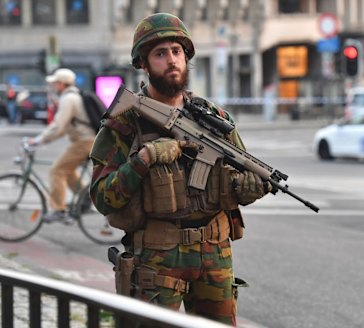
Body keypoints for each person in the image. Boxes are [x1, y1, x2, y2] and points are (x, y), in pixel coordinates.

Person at [88, 13, 269, 326]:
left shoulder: (214, 118)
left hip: (214, 252)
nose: (171, 60)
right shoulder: (125, 121)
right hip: (157, 257)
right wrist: (144, 159)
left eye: (176, 52)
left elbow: (240, 172)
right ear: (143, 64)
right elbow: (103, 198)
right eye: (160, 53)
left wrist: (247, 189)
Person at [27, 68, 96, 223]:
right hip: (87, 140)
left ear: (62, 84)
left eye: (55, 83)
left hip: (84, 141)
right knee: (67, 171)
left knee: (56, 171)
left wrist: (39, 140)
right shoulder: (73, 96)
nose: (53, 86)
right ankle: (85, 198)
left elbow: (59, 127)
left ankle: (59, 210)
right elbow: (63, 127)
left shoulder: (69, 99)